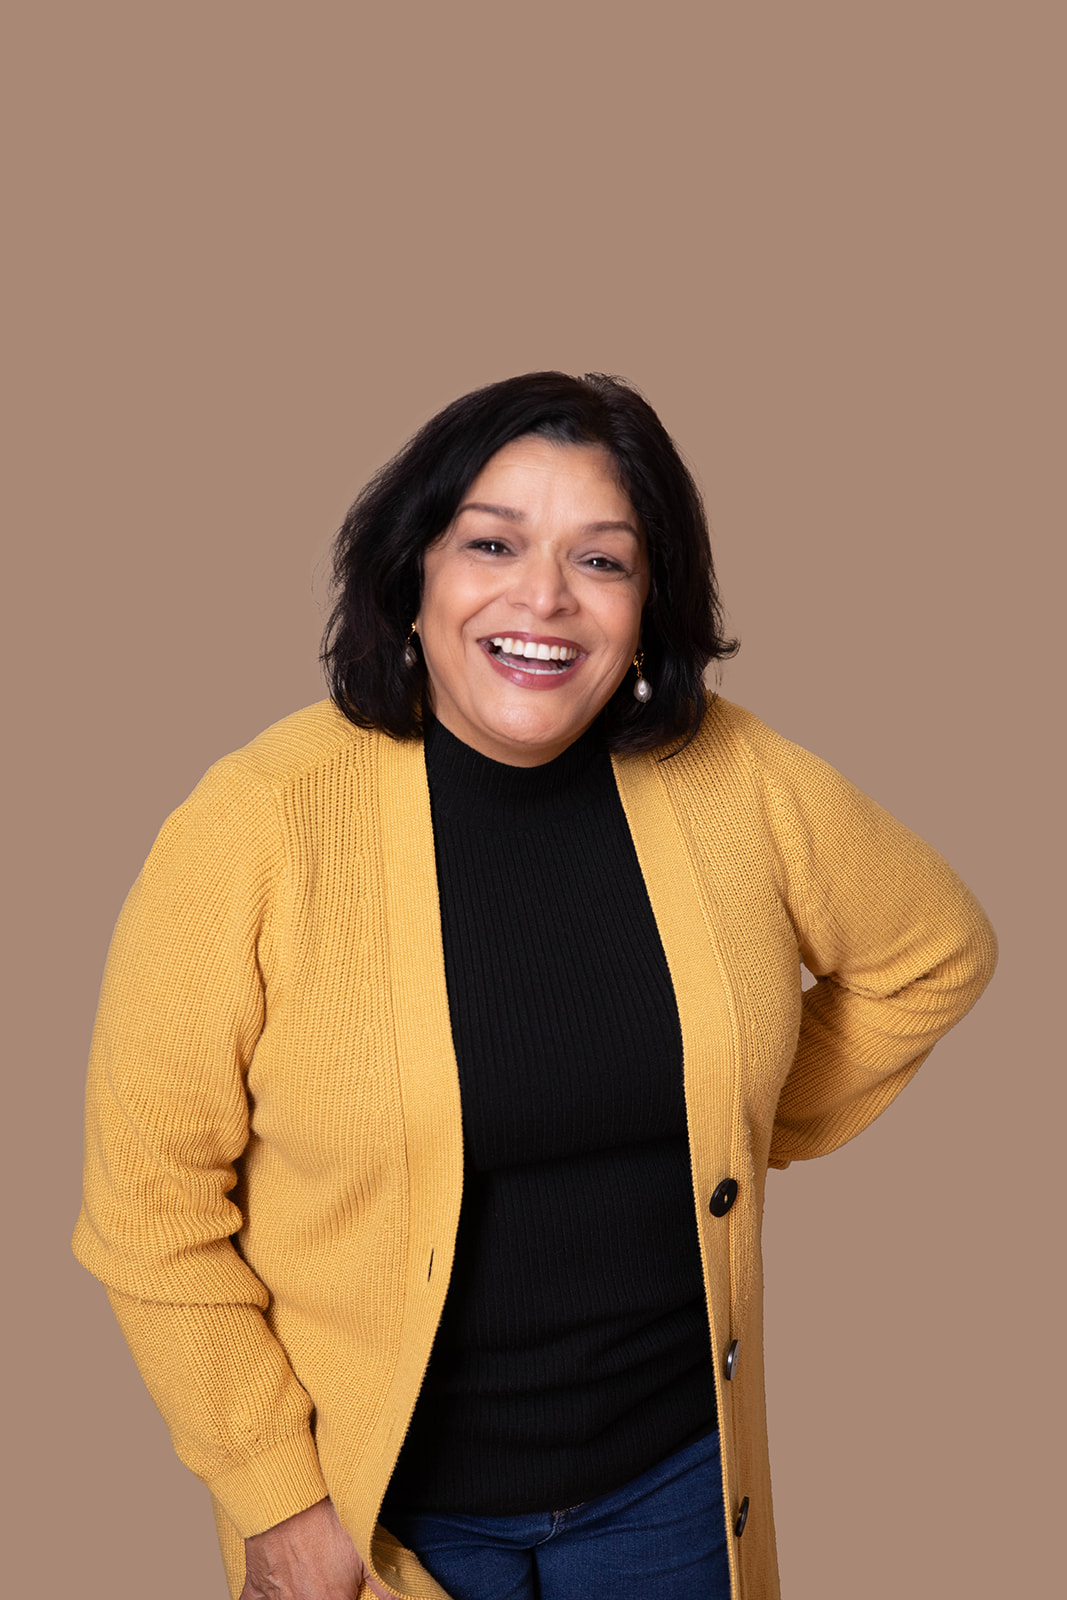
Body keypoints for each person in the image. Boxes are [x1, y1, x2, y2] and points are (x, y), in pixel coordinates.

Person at [74, 371, 997, 1600]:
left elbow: (933, 950)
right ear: (412, 575)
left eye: (601, 560)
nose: (545, 598)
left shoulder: (737, 780)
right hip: (380, 1520)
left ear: (646, 606)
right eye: (492, 544)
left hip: (672, 1495)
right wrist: (278, 1499)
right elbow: (148, 1214)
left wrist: (735, 1115)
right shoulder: (254, 826)